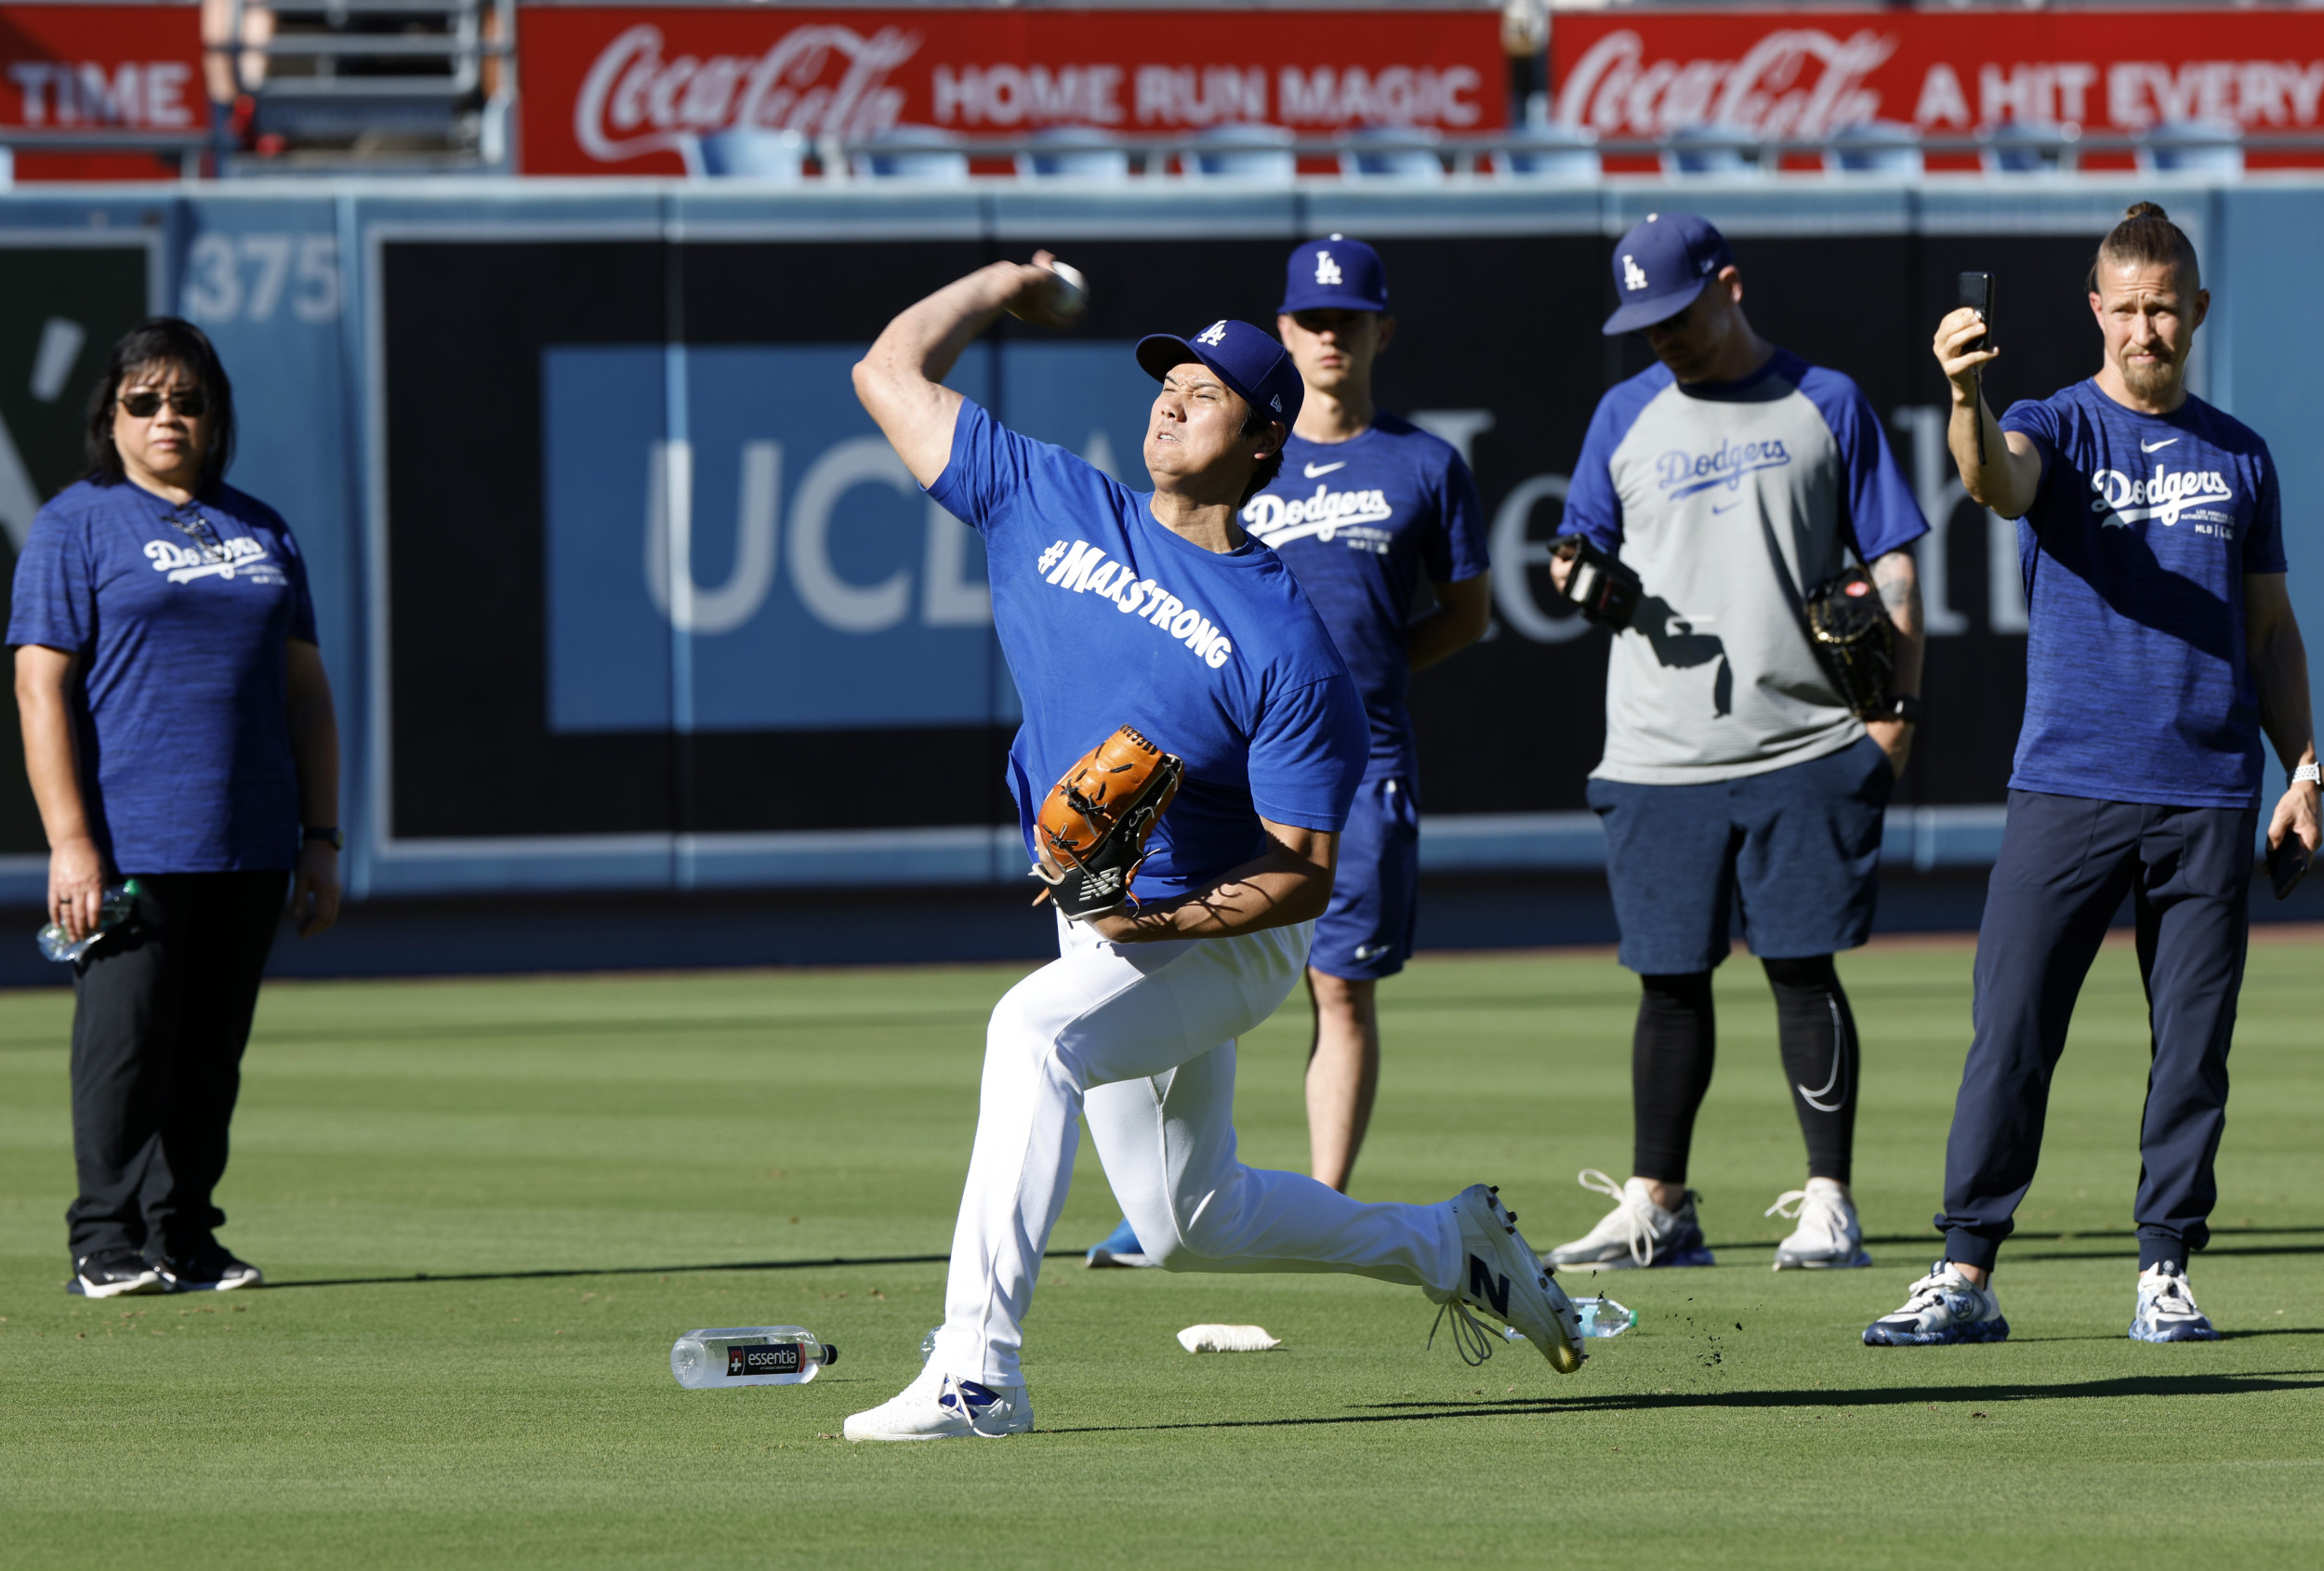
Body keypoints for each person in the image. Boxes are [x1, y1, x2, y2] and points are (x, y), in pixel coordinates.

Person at [840, 253, 1584, 1441]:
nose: (1174, 395)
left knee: (1029, 1032)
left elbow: (1304, 872)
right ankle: (1452, 1243)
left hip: (1222, 931)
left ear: (1262, 442)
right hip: (1112, 914)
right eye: (1169, 378)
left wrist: (1161, 925)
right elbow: (888, 371)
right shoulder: (1049, 498)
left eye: (1211, 388)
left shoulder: (1286, 644)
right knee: (1193, 1219)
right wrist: (996, 285)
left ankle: (978, 1371)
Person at [1865, 203, 2317, 1348]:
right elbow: (1992, 485)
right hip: (2068, 781)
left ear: (2197, 310)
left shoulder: (2240, 453)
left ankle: (2164, 1268)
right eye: (2125, 308)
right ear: (2094, 311)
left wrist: (2304, 764)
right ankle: (1966, 1271)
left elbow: (2268, 631)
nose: (2144, 327)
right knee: (2011, 1030)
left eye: (2163, 306)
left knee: (2193, 1048)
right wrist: (1961, 395)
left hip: (2207, 790)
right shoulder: (2049, 423)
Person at [1082, 235, 1490, 1269]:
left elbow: (1465, 615)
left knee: (1339, 984)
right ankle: (1175, 1192)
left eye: (1346, 320)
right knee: (1195, 961)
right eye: (1310, 320)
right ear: (1285, 329)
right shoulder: (1242, 443)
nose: (1327, 336)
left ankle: (1320, 1200)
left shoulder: (1423, 462)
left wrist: (1370, 683)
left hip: (1361, 761)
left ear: (1378, 331)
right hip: (1222, 765)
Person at [1542, 212, 1928, 1274]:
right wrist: (1581, 578)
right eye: (1643, 319)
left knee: (1802, 970)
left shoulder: (1825, 400)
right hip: (1657, 750)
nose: (1659, 335)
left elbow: (1893, 564)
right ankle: (1656, 1205)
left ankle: (1828, 1203)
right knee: (1667, 980)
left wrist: (1893, 717)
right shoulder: (1623, 411)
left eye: (1674, 311)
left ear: (1730, 284)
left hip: (1802, 736)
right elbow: (1573, 557)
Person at [10, 318, 341, 1300]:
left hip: (248, 834)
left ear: (214, 416)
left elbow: (308, 696)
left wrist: (319, 837)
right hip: (133, 838)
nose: (167, 418)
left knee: (208, 1056)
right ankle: (102, 1239)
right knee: (126, 1046)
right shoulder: (75, 523)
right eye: (144, 401)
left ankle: (183, 1233)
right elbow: (39, 690)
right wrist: (71, 842)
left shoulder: (261, 527)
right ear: (109, 415)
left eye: (187, 401)